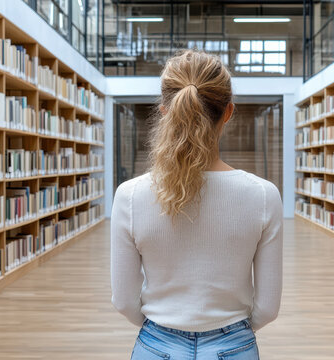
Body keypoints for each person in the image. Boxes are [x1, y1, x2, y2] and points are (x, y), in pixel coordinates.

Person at [111, 50, 283, 360]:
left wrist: (161, 326)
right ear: (228, 112)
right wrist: (232, 331)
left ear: (165, 111)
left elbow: (123, 301)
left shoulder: (130, 195)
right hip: (234, 345)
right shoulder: (264, 195)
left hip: (156, 344)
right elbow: (268, 308)